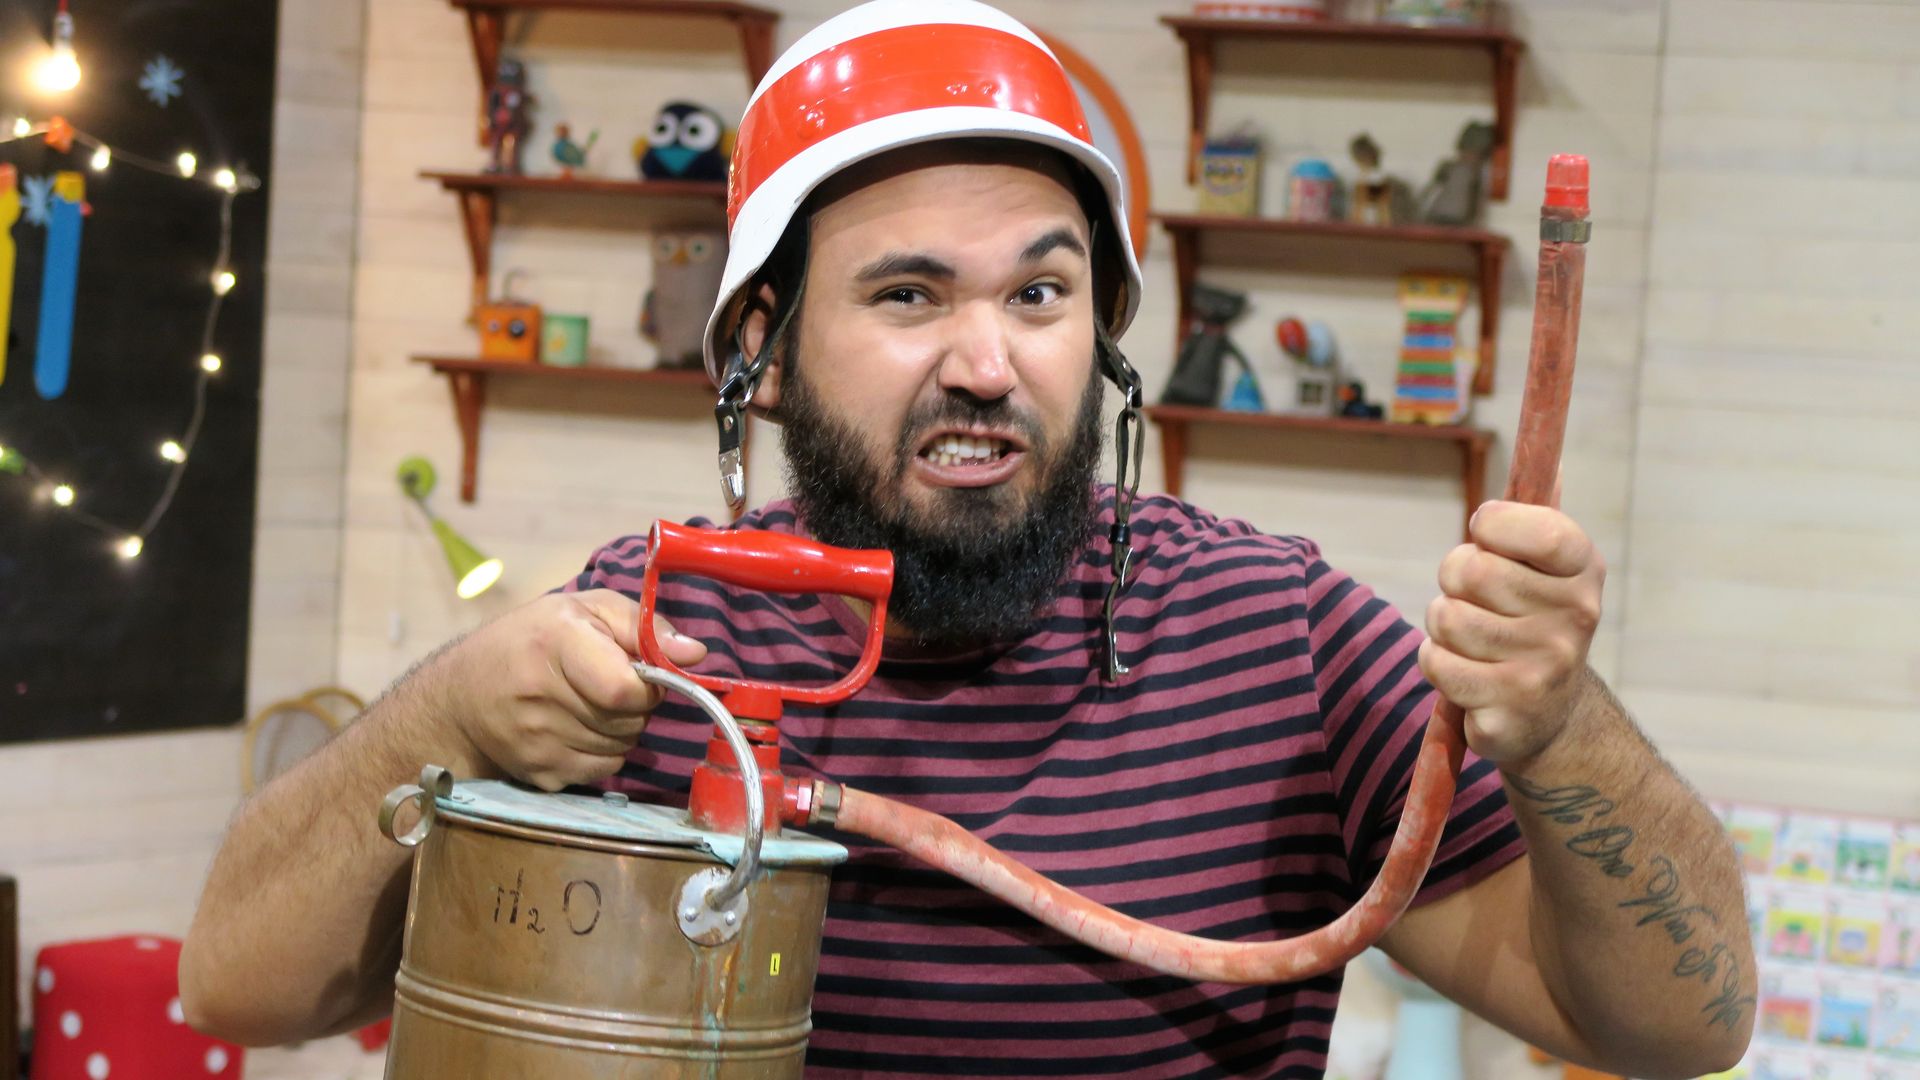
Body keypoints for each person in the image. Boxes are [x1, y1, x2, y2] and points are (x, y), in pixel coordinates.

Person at [180, 2, 1754, 1076]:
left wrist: (1563, 729)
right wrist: (449, 715)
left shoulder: (1284, 643)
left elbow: (1682, 1031)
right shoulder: (645, 644)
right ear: (765, 346)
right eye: (908, 293)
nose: (988, 362)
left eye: (1040, 293)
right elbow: (239, 989)